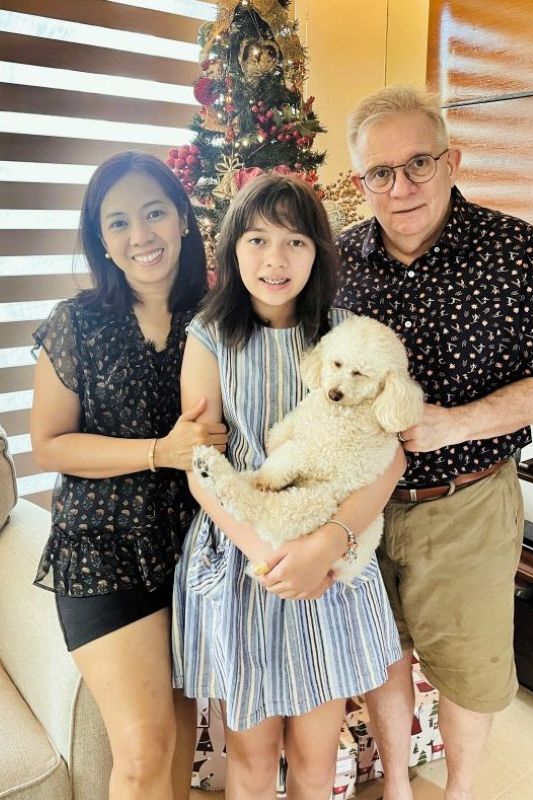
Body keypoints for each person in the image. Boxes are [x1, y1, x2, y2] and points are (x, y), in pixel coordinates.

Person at [336, 85, 533, 800]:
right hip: (363, 506)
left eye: (419, 163)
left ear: (452, 161)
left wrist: (454, 422)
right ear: (360, 181)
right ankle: (399, 786)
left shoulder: (517, 251)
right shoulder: (338, 259)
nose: (401, 186)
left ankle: (462, 790)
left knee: (468, 669)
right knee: (381, 655)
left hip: (467, 502)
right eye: (380, 172)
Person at [172, 173, 405, 800]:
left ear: (317, 252)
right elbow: (200, 466)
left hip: (331, 558)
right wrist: (267, 552)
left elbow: (388, 458)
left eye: (295, 241)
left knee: (315, 757)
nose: (275, 259)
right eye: (257, 239)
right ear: (232, 248)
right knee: (250, 760)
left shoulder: (346, 334)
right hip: (245, 558)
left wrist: (328, 544)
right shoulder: (208, 336)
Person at [30, 150, 228, 800]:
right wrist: (158, 451)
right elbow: (49, 445)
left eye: (153, 213)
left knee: (179, 740)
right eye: (118, 222)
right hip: (102, 552)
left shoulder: (217, 317)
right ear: (102, 239)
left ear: (181, 219)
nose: (140, 234)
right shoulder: (77, 322)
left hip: (194, 553)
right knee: (143, 751)